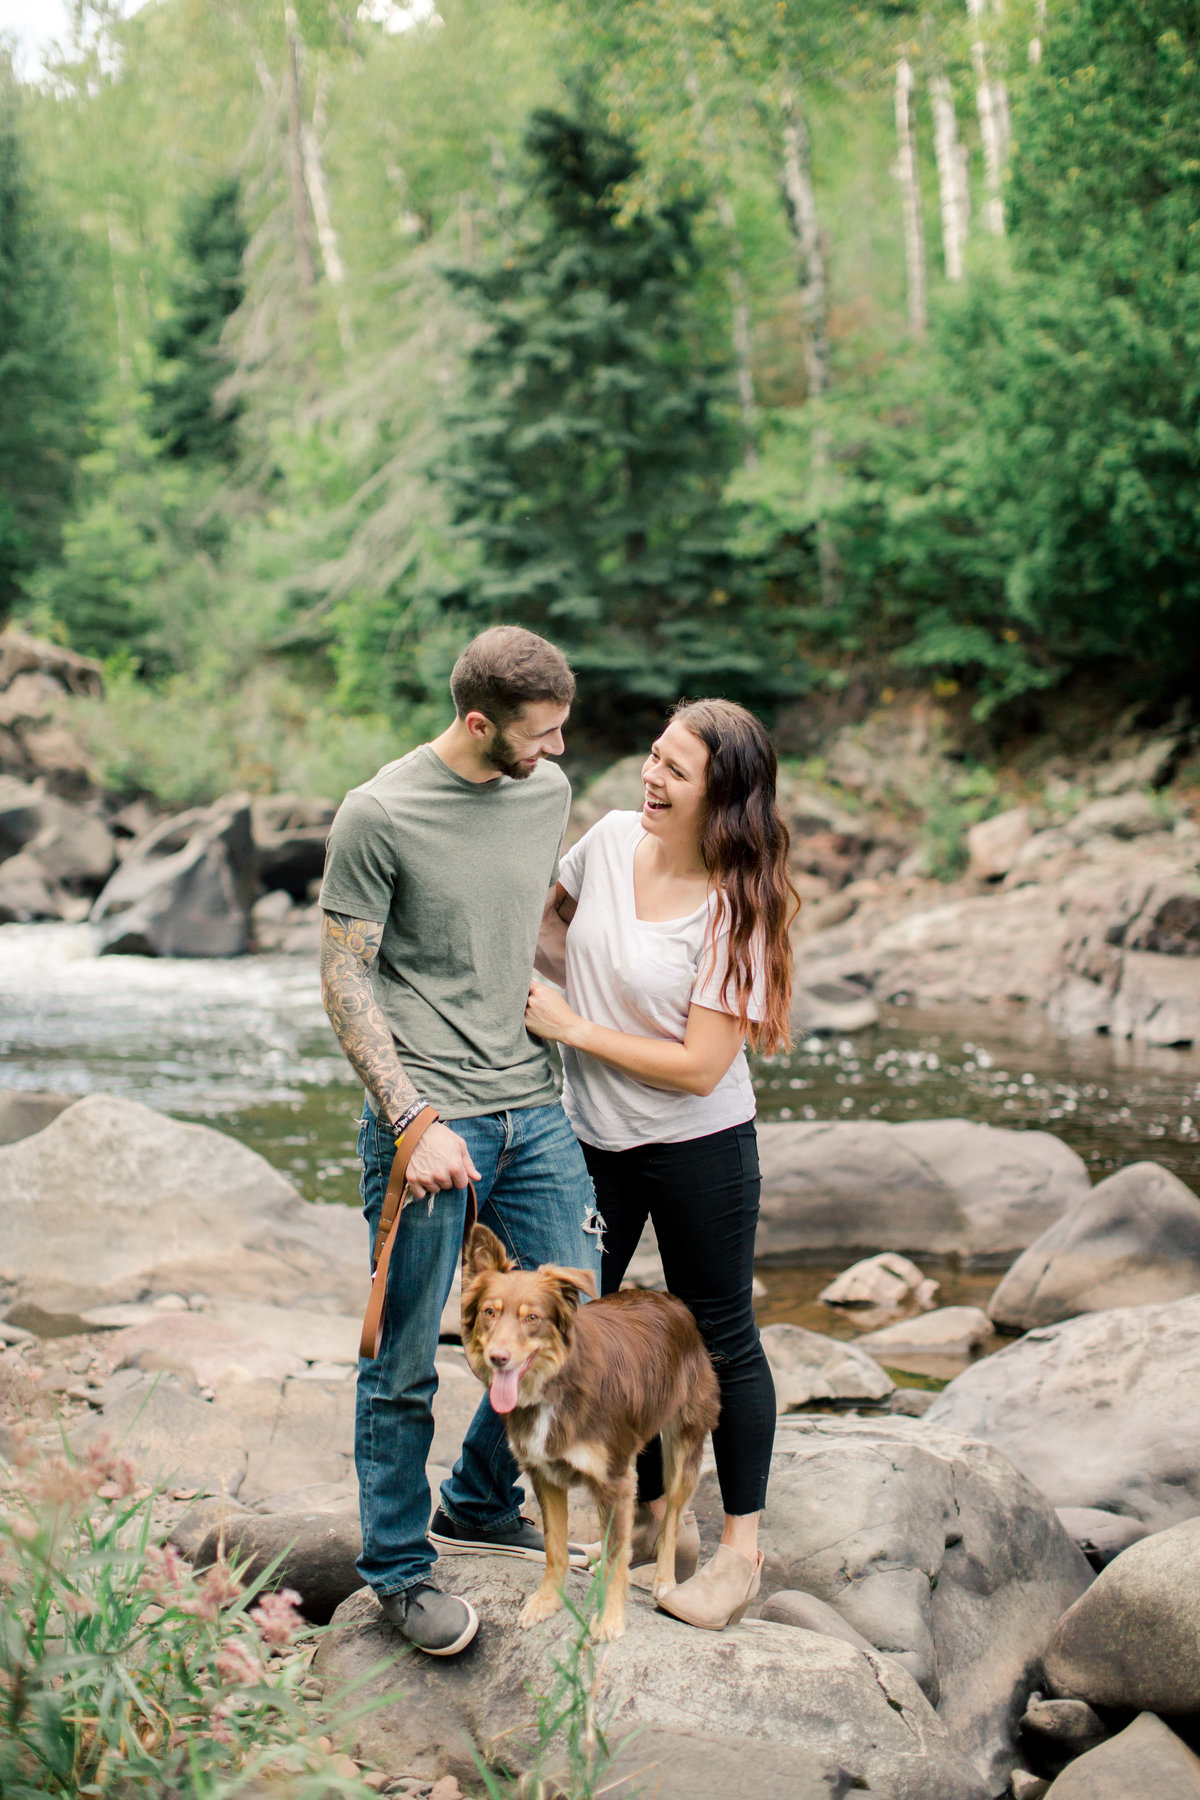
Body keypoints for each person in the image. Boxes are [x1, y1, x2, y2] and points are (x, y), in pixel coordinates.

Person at [319, 625, 602, 1657]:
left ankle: (478, 1498)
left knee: (580, 1310)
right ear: (479, 722)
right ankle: (398, 1572)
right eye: (542, 734)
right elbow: (345, 975)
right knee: (402, 1362)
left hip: (533, 1102)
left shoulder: (545, 795)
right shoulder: (379, 812)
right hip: (431, 1123)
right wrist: (411, 1121)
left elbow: (532, 918)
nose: (557, 752)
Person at [525, 697, 797, 1631]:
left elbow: (699, 1068)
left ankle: (738, 1553)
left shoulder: (736, 906)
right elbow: (546, 930)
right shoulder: (601, 842)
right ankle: (649, 1523)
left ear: (720, 799)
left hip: (699, 1150)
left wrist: (573, 1025)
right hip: (588, 1136)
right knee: (589, 1329)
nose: (651, 777)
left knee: (719, 1336)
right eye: (653, 756)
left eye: (675, 772)